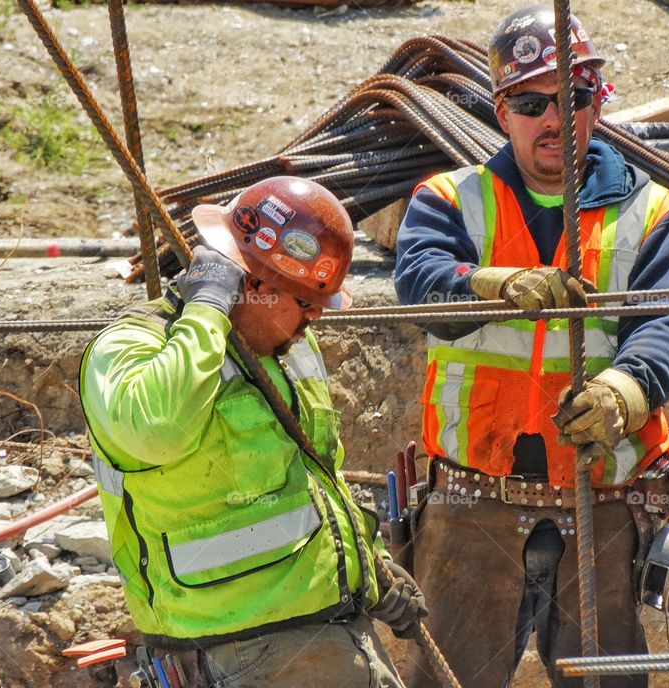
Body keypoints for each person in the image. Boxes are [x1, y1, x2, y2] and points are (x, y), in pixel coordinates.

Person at [394, 5, 669, 687]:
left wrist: (622, 395)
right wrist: (492, 283)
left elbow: (666, 326)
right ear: (502, 113)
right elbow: (418, 288)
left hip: (603, 501)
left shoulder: (653, 214)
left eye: (576, 97)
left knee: (606, 680)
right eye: (534, 102)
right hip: (472, 505)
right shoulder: (449, 200)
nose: (556, 119)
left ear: (599, 101)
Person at [80, 177, 426, 688]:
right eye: (306, 302)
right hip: (240, 653)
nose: (313, 320)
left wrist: (366, 567)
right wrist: (206, 310)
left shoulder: (289, 352)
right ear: (254, 285)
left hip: (335, 639)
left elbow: (314, 479)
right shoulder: (132, 348)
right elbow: (155, 430)